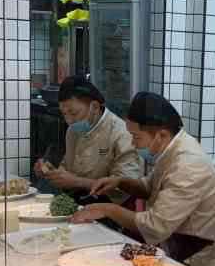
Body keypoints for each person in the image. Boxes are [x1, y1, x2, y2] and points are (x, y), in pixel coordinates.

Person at [69, 92, 215, 266]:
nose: (134, 145)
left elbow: (155, 225)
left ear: (161, 134)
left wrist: (107, 209)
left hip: (192, 255)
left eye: (136, 137)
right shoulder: (171, 148)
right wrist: (120, 182)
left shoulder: (188, 165)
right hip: (171, 244)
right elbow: (149, 187)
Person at [33, 77, 141, 205]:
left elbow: (124, 189)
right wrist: (51, 172)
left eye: (73, 113)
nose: (69, 120)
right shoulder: (73, 131)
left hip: (110, 208)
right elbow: (68, 168)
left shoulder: (121, 133)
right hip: (78, 201)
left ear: (94, 107)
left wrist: (77, 182)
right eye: (64, 114)